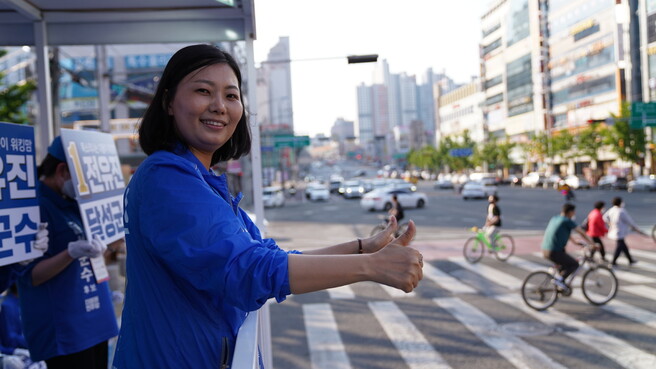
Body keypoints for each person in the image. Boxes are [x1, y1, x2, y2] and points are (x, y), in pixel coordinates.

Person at [112, 44, 422, 368]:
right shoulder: (166, 178)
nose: (219, 106)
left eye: (231, 96)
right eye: (203, 91)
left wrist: (364, 249)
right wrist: (372, 267)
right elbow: (249, 271)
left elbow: (269, 260)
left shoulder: (199, 178)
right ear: (168, 102)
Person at [16, 137, 118, 369]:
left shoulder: (75, 202)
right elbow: (30, 275)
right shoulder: (35, 206)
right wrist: (70, 253)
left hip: (96, 320)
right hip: (68, 329)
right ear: (62, 170)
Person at [541, 203, 593, 290]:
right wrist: (592, 244)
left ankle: (559, 285)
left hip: (545, 250)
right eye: (573, 212)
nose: (574, 214)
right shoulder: (567, 221)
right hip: (554, 251)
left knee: (565, 266)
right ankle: (560, 280)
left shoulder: (555, 218)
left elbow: (563, 232)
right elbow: (581, 232)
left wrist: (575, 242)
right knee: (574, 264)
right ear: (570, 212)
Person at [603, 197, 648, 266]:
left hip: (615, 230)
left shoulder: (612, 210)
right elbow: (629, 221)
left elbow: (604, 217)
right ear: (620, 203)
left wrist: (609, 223)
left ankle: (630, 260)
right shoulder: (621, 211)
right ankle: (613, 261)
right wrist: (636, 228)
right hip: (620, 231)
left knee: (623, 245)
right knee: (620, 246)